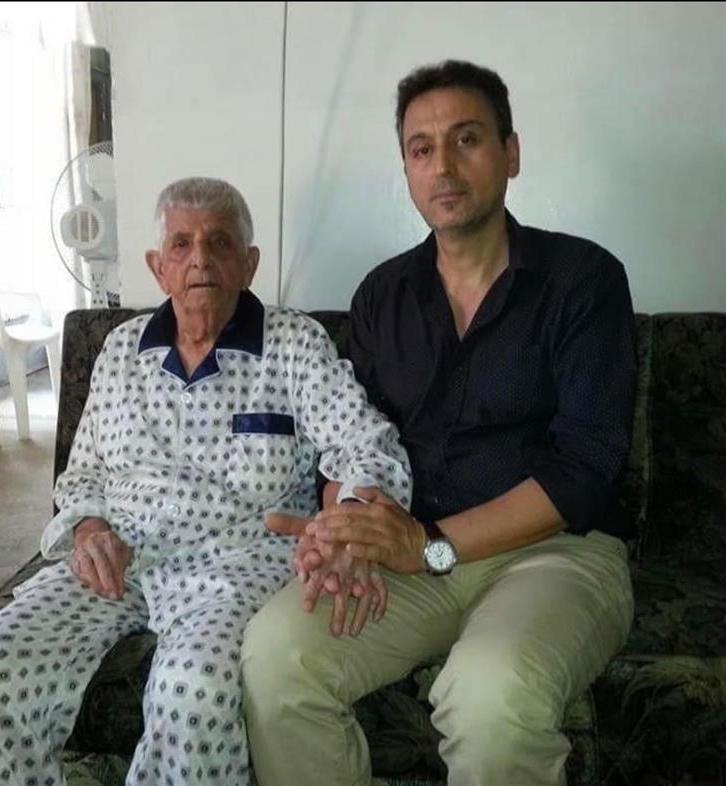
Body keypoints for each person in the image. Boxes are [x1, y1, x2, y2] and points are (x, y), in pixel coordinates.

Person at [242, 60, 637, 786]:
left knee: (490, 698)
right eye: (422, 149)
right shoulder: (381, 295)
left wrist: (431, 545)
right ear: (407, 169)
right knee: (275, 656)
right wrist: (351, 526)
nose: (444, 166)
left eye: (467, 139)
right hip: (409, 558)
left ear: (510, 153)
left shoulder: (584, 280)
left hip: (555, 554)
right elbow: (351, 442)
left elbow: (586, 468)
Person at [0, 177, 411, 786]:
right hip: (120, 560)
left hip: (239, 564)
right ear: (157, 267)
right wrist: (89, 529)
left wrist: (350, 525)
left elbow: (367, 445)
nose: (200, 260)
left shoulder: (294, 344)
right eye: (181, 244)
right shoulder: (119, 350)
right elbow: (83, 473)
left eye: (220, 242)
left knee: (192, 692)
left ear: (249, 263)